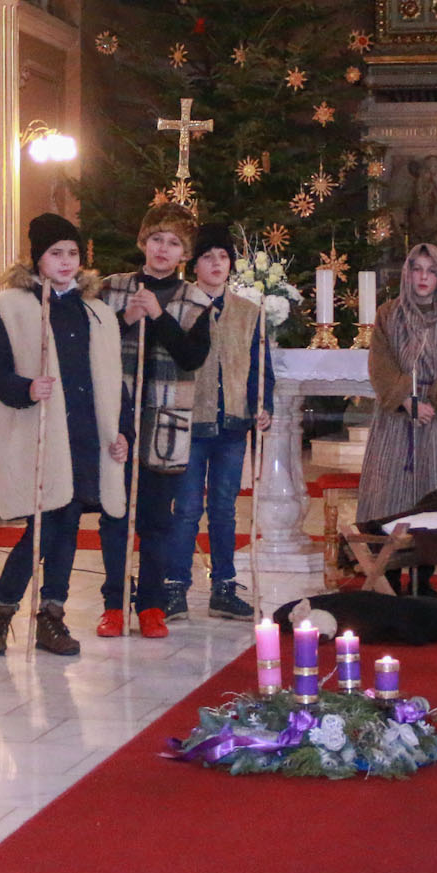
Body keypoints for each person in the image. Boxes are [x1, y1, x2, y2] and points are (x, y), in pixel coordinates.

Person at [0, 214, 129, 656]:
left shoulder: (96, 312)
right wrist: (26, 388)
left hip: (85, 433)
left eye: (73, 253)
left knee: (67, 524)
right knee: (44, 527)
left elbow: (113, 379)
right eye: (55, 253)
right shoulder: (9, 307)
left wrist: (122, 432)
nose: (66, 261)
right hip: (42, 433)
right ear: (38, 259)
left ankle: (51, 616)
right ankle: (1, 610)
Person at [96, 203, 211, 638]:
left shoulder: (196, 301)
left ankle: (151, 605)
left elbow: (191, 357)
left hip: (167, 422)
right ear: (143, 242)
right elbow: (89, 345)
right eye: (157, 239)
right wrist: (126, 318)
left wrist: (160, 318)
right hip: (117, 419)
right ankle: (113, 604)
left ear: (185, 253)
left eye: (174, 242)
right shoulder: (111, 289)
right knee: (114, 513)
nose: (164, 249)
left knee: (157, 520)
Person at [356, 244, 437, 598]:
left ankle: (424, 578)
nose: (423, 277)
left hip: (436, 420)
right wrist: (407, 401)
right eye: (417, 269)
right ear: (407, 274)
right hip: (396, 416)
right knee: (387, 493)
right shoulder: (388, 314)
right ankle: (389, 574)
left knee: (433, 495)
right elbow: (380, 364)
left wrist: (433, 404)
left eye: (431, 271)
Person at [169, 224, 271, 622]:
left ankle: (224, 587)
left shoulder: (249, 313)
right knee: (187, 508)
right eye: (208, 257)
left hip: (232, 423)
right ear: (194, 265)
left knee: (225, 508)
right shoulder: (179, 308)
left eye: (223, 257)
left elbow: (259, 367)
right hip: (191, 422)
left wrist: (263, 403)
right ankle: (175, 585)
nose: (216, 264)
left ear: (231, 264)